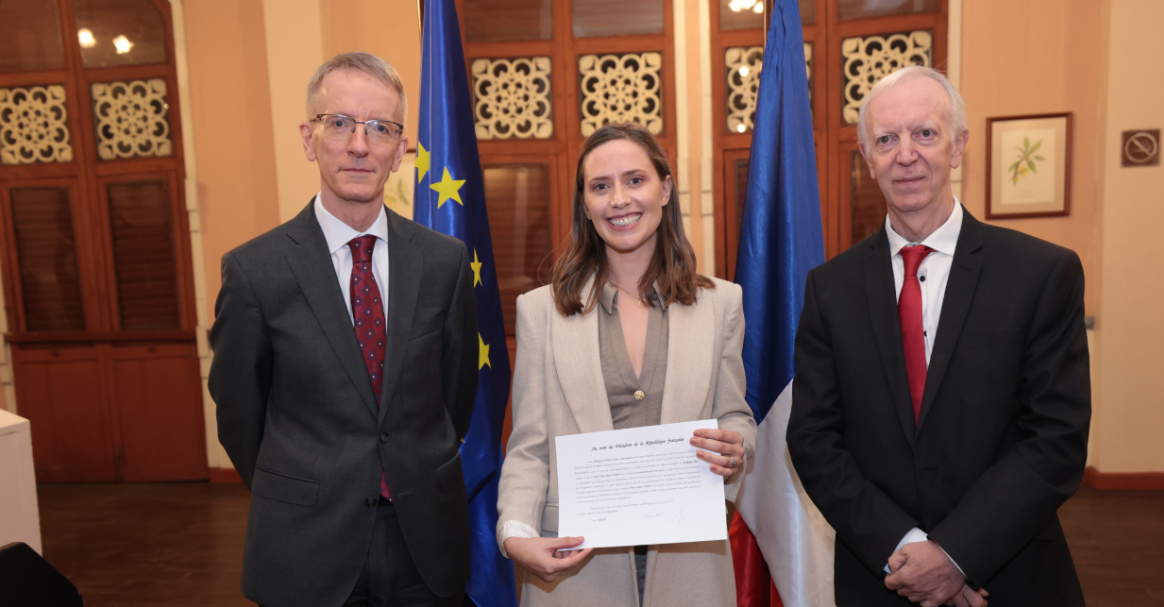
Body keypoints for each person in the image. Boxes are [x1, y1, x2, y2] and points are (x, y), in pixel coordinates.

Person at [787, 66, 1089, 607]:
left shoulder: (1041, 273)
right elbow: (813, 441)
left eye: (925, 133)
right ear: (866, 156)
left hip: (1008, 573)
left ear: (958, 146)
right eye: (886, 139)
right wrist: (907, 548)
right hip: (882, 576)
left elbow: (1056, 438)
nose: (906, 154)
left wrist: (955, 555)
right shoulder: (828, 289)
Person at [209, 52, 478, 607]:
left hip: (422, 541)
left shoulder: (444, 263)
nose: (360, 145)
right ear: (309, 139)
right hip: (305, 544)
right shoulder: (255, 270)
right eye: (340, 123)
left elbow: (455, 399)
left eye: (380, 127)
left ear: (400, 151)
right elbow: (239, 412)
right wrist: (301, 486)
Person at [496, 123, 757, 606]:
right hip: (574, 575)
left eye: (635, 180)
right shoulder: (540, 312)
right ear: (585, 204)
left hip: (691, 569)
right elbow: (528, 448)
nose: (619, 199)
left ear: (665, 189)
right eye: (601, 186)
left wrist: (737, 446)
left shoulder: (722, 304)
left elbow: (735, 415)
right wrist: (515, 533)